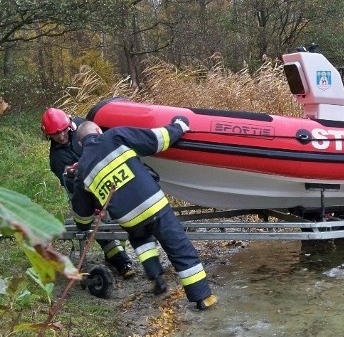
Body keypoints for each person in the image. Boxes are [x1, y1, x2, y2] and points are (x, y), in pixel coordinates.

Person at [71, 117, 217, 310]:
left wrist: (82, 226)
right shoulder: (114, 136)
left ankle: (156, 276)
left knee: (141, 238)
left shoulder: (81, 171)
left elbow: (82, 214)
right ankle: (202, 297)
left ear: (80, 144)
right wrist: (180, 125)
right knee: (179, 248)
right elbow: (156, 139)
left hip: (129, 219)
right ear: (98, 130)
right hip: (153, 205)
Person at [41, 108, 134, 278]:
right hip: (86, 191)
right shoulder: (57, 159)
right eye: (55, 134)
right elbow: (74, 186)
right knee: (99, 226)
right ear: (48, 135)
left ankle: (116, 250)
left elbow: (100, 140)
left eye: (62, 131)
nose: (61, 137)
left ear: (69, 125)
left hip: (108, 178)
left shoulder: (81, 125)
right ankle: (122, 261)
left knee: (119, 221)